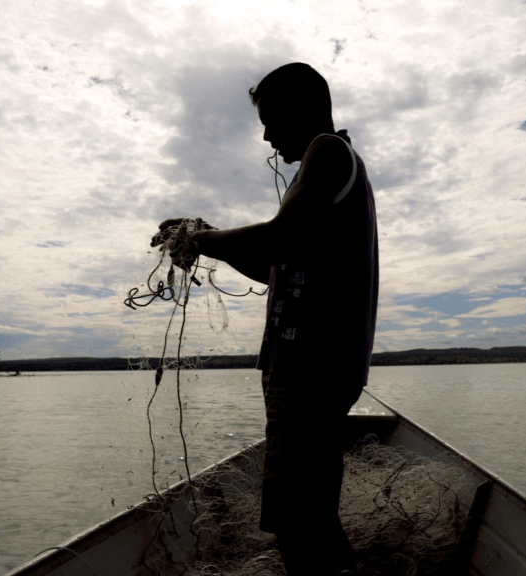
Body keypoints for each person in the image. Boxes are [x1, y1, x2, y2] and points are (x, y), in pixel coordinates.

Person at [154, 62, 378, 576]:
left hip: (313, 367)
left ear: (304, 109)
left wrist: (199, 240)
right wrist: (209, 236)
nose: (266, 135)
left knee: (298, 518)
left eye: (271, 119)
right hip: (305, 368)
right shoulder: (316, 176)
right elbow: (270, 262)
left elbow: (278, 236)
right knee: (308, 511)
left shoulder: (328, 151)